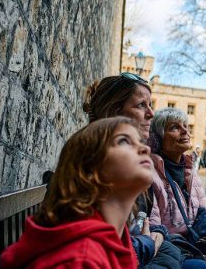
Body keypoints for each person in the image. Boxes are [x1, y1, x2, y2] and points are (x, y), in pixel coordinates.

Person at [0, 117, 152, 268]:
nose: (146, 149)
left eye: (141, 142)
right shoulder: (79, 260)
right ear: (89, 168)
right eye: (124, 141)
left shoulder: (117, 238)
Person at [83, 72, 191, 268]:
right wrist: (150, 242)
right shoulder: (93, 166)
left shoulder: (135, 164)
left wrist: (157, 235)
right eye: (142, 105)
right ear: (115, 111)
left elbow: (152, 220)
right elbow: (101, 250)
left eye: (151, 105)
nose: (151, 113)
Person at [148, 108, 206, 269]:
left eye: (185, 125)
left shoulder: (191, 174)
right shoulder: (150, 173)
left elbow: (204, 221)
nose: (185, 131)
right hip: (169, 254)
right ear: (159, 138)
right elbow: (154, 228)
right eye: (174, 127)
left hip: (195, 250)